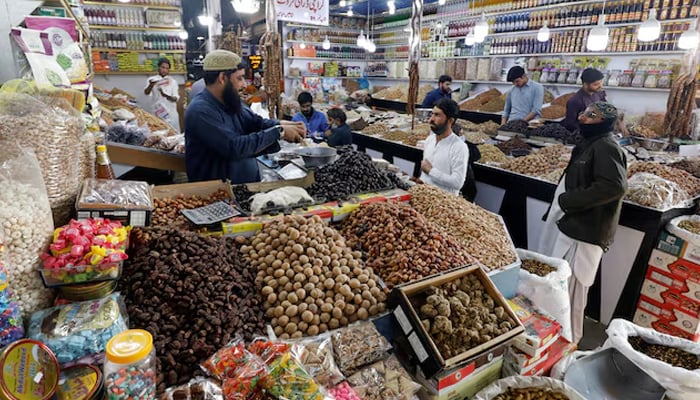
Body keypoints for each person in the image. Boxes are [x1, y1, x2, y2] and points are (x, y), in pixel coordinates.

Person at [537, 101, 627, 344]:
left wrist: (569, 201)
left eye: (591, 115)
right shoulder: (591, 143)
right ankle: (555, 341)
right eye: (585, 113)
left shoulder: (607, 146)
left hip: (585, 233)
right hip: (572, 226)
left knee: (574, 296)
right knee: (560, 291)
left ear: (604, 122)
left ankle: (570, 344)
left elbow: (614, 186)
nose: (583, 117)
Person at [184, 50, 306, 184]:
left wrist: (284, 124)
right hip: (217, 194)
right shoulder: (201, 111)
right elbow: (234, 147)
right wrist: (279, 132)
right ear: (222, 78)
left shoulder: (229, 102)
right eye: (240, 78)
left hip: (244, 186)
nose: (244, 85)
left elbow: (255, 123)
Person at [419, 98, 469, 195]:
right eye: (432, 114)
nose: (431, 119)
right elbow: (425, 171)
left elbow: (457, 183)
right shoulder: (430, 140)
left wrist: (431, 171)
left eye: (437, 115)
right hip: (423, 197)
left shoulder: (459, 147)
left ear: (450, 121)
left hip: (442, 204)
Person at [145, 58, 180, 130]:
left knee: (173, 136)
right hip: (157, 114)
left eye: (167, 68)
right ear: (158, 67)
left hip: (171, 114)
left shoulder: (173, 82)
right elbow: (146, 93)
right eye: (163, 67)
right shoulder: (152, 80)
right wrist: (151, 85)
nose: (164, 70)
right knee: (159, 136)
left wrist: (165, 95)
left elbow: (175, 98)